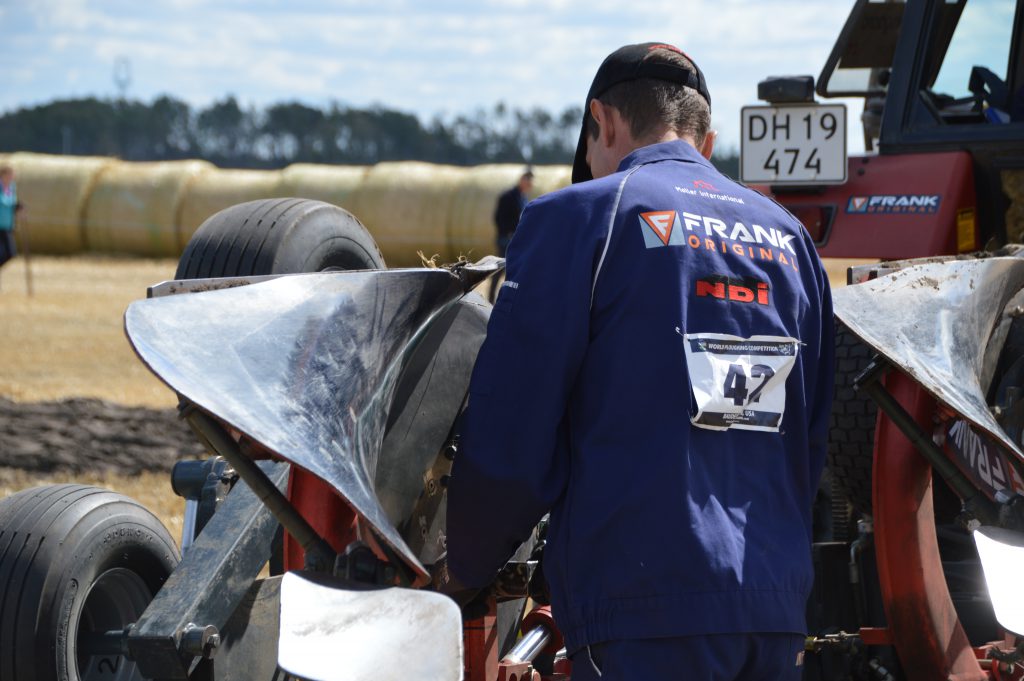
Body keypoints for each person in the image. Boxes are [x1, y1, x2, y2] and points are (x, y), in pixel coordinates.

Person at [444, 42, 834, 680]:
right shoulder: (790, 239)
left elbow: (514, 424)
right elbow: (808, 437)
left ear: (602, 122)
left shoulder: (581, 216)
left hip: (641, 610)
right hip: (772, 609)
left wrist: (464, 563)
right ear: (706, 141)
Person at [493, 168, 533, 257]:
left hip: (517, 238)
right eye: (527, 179)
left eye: (530, 179)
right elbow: (499, 218)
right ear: (521, 180)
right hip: (507, 239)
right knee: (505, 263)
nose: (529, 182)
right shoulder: (508, 196)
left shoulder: (523, 197)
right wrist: (508, 232)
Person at [0, 165, 21, 273]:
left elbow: (12, 202)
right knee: (7, 252)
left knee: (10, 253)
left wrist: (17, 207)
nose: (11, 177)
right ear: (2, 175)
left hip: (8, 225)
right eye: (9, 175)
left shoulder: (11, 187)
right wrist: (12, 205)